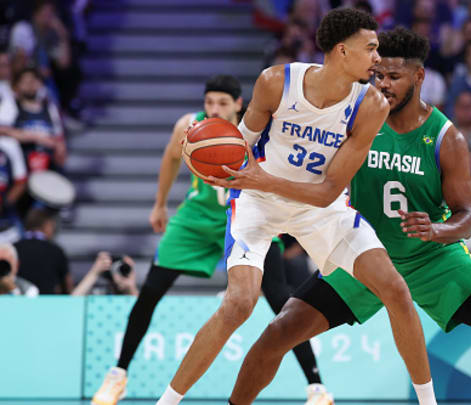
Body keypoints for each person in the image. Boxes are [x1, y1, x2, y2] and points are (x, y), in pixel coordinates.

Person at [222, 26, 471, 405]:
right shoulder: (358, 118)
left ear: (419, 76)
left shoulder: (446, 138)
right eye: (379, 75)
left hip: (433, 260)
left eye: (394, 77)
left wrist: (438, 229)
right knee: (276, 334)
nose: (383, 85)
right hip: (364, 256)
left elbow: (469, 218)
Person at [165, 10, 436, 405]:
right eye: (372, 48)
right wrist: (208, 159)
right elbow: (239, 151)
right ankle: (167, 402)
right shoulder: (277, 82)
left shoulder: (371, 105)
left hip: (319, 208)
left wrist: (262, 178)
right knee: (239, 303)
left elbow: (328, 192)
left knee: (395, 289)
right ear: (343, 51)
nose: (378, 58)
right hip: (258, 204)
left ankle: (428, 402)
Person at [92, 75, 329, 405]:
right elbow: (171, 158)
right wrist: (160, 204)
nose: (213, 109)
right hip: (197, 219)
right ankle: (117, 375)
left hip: (247, 217)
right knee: (150, 291)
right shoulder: (190, 127)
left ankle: (316, 388)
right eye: (209, 102)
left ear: (238, 104)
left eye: (221, 103)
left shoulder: (260, 130)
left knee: (279, 296)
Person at [14, 208, 71, 294]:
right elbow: (67, 284)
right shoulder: (56, 250)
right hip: (49, 304)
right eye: (52, 226)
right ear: (46, 225)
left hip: (18, 304)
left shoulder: (13, 249)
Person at [71, 252, 139, 296]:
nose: (122, 273)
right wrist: (94, 273)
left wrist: (131, 288)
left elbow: (145, 311)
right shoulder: (102, 294)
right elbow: (72, 303)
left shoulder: (137, 295)